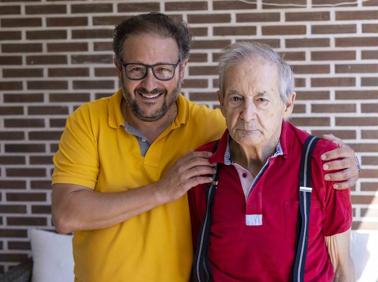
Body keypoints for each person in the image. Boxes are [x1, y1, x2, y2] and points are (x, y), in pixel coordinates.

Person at [51, 13, 358, 282]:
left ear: (182, 69)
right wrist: (162, 190)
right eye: (136, 69)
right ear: (119, 67)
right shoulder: (87, 121)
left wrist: (347, 161)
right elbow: (66, 215)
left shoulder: (212, 125)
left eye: (163, 69)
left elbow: (264, 127)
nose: (149, 83)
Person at [188, 42, 354, 282]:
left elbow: (341, 267)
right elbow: (194, 254)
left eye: (261, 100)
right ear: (221, 103)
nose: (247, 113)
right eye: (236, 98)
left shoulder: (324, 163)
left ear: (287, 104)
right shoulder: (202, 167)